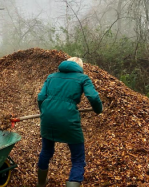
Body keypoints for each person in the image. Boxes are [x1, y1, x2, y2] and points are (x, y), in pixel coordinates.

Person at [36, 57, 103, 187]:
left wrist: (44, 112)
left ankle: (41, 183)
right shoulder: (83, 78)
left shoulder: (51, 77)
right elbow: (93, 96)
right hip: (68, 119)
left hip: (47, 118)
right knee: (78, 159)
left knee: (46, 151)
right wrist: (98, 109)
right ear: (80, 67)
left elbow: (40, 97)